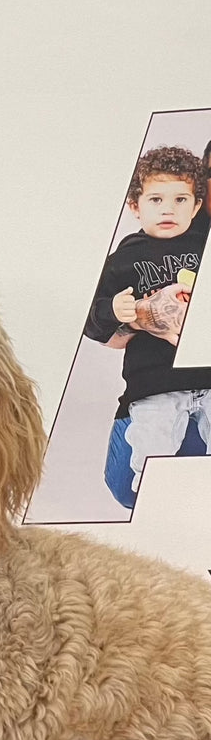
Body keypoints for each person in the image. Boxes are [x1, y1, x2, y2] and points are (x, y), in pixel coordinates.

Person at [83, 145, 211, 507]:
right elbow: (95, 325)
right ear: (135, 207)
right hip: (154, 386)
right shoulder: (125, 258)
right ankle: (157, 510)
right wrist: (119, 309)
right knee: (145, 469)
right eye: (156, 199)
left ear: (196, 206)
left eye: (181, 200)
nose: (168, 209)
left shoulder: (205, 243)